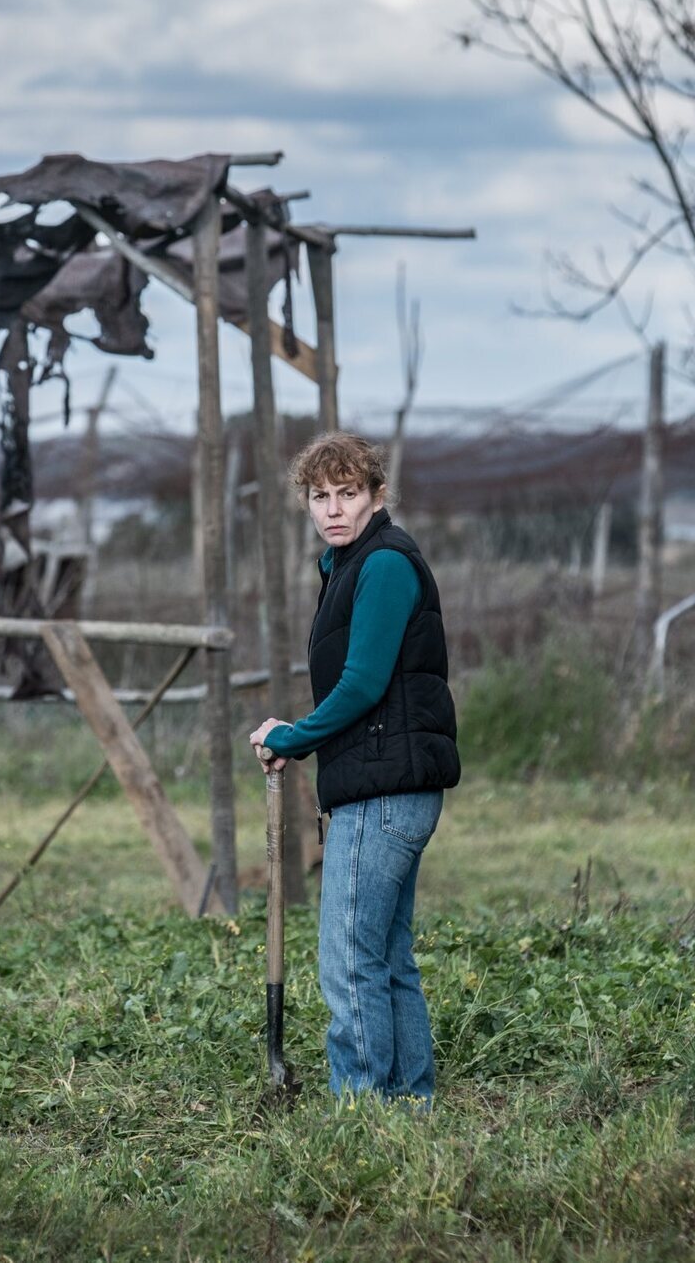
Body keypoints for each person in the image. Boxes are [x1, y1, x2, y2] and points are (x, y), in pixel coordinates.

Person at [249, 431, 460, 1110]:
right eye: (320, 496)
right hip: (389, 783)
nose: (333, 508)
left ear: (375, 495)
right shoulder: (346, 565)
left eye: (348, 493)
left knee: (348, 960)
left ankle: (363, 1116)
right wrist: (301, 733)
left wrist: (296, 735)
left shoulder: (386, 565)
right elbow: (361, 684)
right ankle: (408, 1108)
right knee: (387, 959)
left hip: (385, 792)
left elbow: (365, 683)